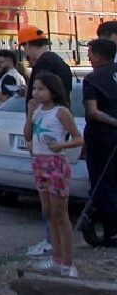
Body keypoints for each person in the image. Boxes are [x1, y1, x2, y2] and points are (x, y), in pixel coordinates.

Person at [18, 25, 73, 258]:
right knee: (52, 207)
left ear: (27, 46)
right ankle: (56, 251)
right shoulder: (58, 62)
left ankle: (54, 247)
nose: (36, 92)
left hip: (49, 149)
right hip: (46, 144)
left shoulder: (44, 66)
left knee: (54, 209)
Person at [25, 73, 84, 277]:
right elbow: (27, 135)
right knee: (49, 212)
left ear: (52, 90)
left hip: (55, 164)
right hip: (38, 163)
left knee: (61, 215)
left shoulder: (61, 112)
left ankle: (68, 263)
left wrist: (61, 145)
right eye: (34, 89)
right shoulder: (37, 110)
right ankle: (56, 259)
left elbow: (78, 139)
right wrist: (29, 114)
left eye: (41, 89)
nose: (36, 93)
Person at [83, 37, 117, 247]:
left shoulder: (93, 79)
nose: (88, 57)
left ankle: (111, 229)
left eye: (89, 53)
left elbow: (93, 111)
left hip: (103, 138)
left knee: (103, 183)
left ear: (97, 54)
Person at [19, 25, 73, 97]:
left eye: (23, 47)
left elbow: (41, 95)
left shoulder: (43, 64)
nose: (25, 51)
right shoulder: (57, 61)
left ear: (27, 45)